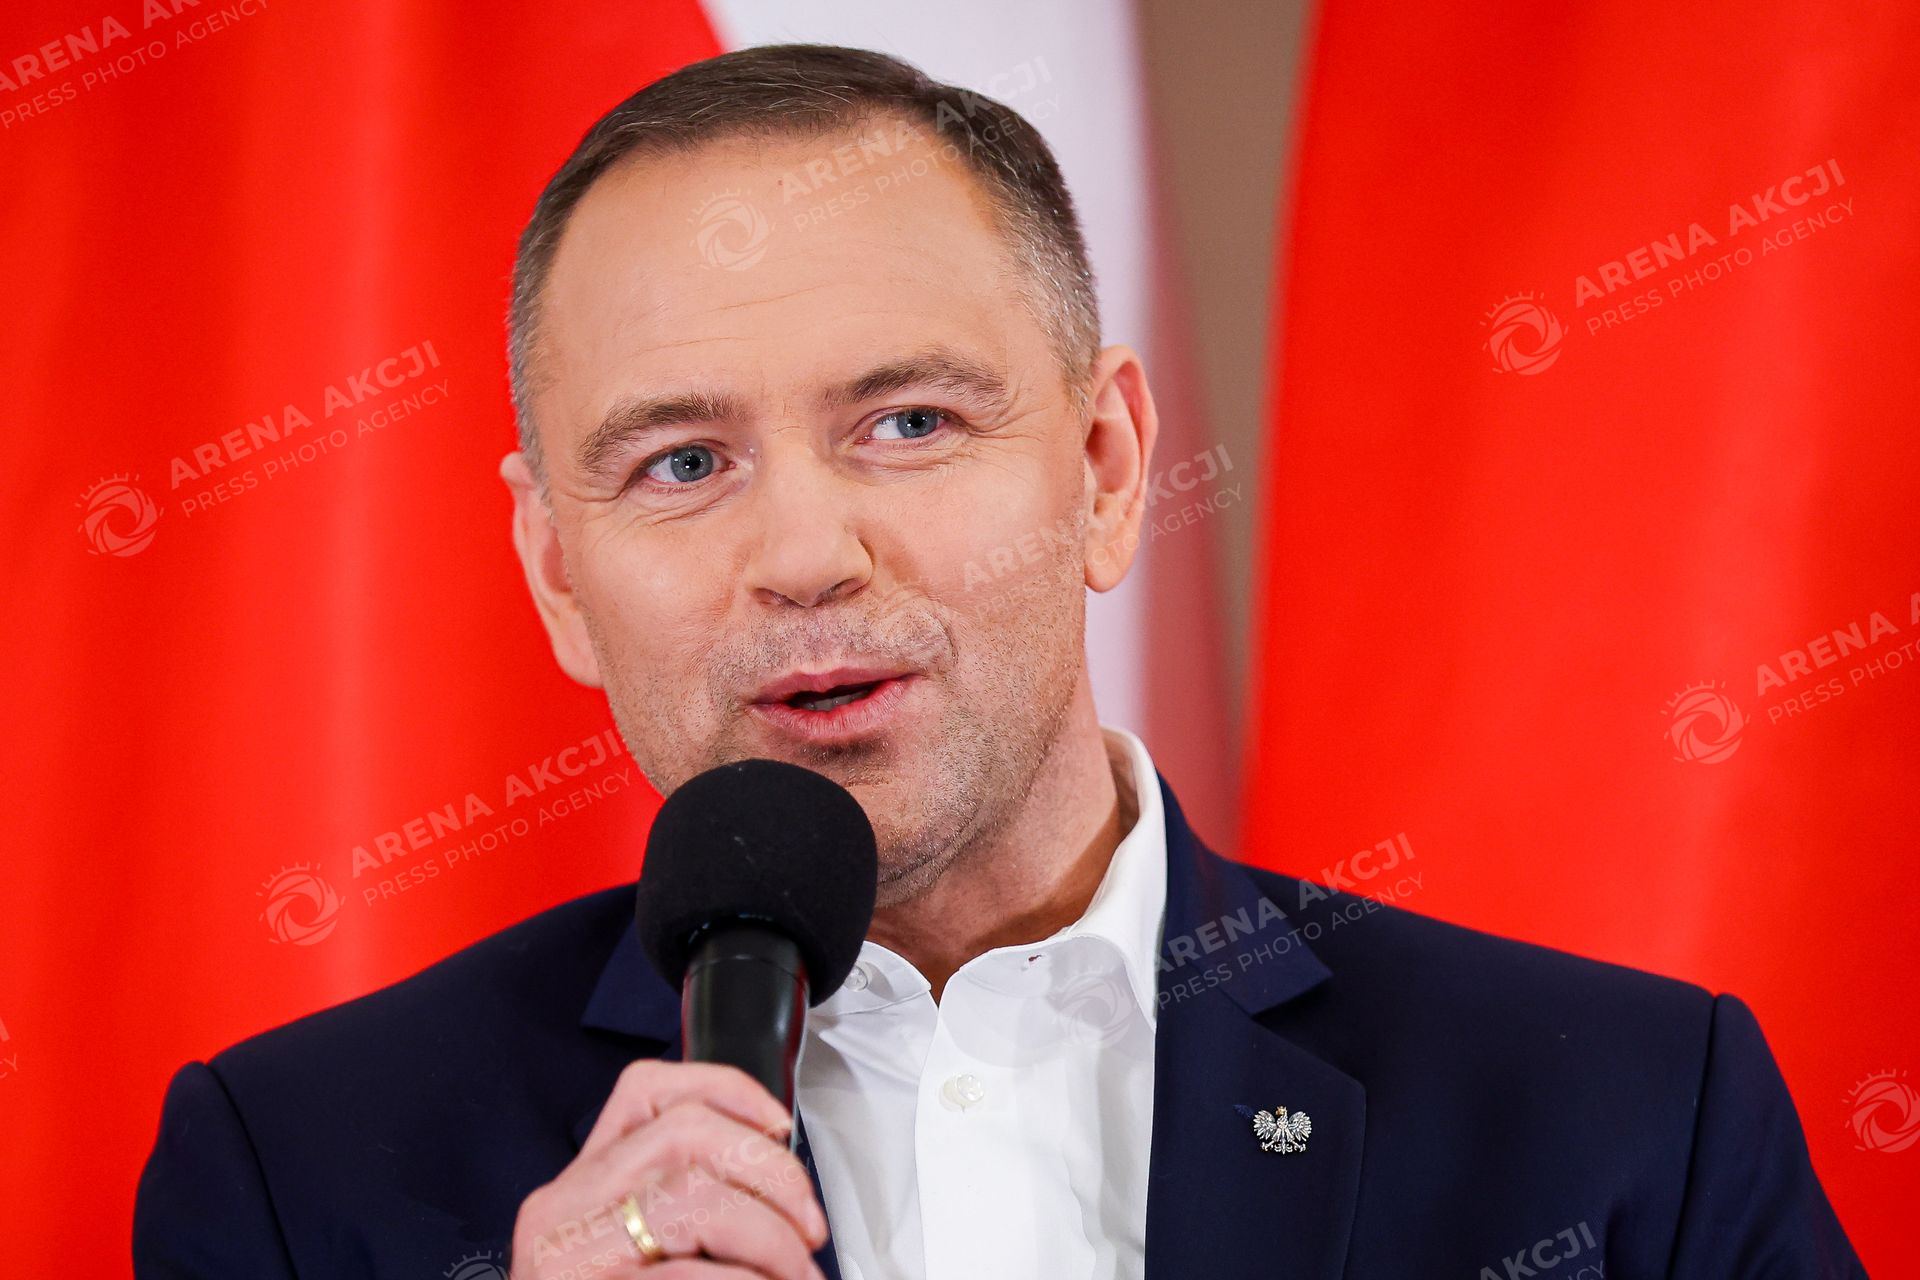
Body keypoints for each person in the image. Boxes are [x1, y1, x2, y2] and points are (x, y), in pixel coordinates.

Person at [134, 43, 1865, 1280]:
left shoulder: (1634, 1117)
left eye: (907, 422)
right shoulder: (296, 1173)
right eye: (682, 462)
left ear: (1106, 471)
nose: (804, 554)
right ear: (556, 574)